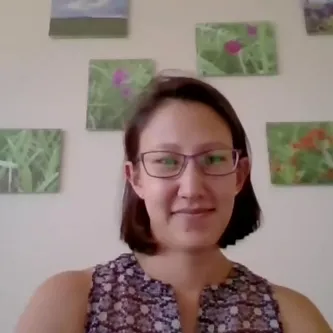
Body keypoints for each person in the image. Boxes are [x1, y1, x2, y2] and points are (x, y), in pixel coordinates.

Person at [15, 74, 332, 333]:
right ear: (136, 178)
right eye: (166, 161)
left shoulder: (296, 316)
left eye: (214, 158)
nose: (192, 188)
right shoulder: (68, 300)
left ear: (239, 176)